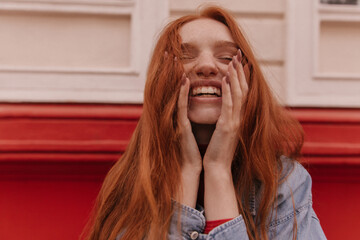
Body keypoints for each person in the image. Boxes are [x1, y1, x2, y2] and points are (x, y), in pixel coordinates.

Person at [84, 6, 327, 240]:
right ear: (161, 78)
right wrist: (188, 169)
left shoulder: (283, 183)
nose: (207, 67)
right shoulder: (130, 182)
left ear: (247, 81)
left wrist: (217, 169)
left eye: (226, 57)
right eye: (185, 55)